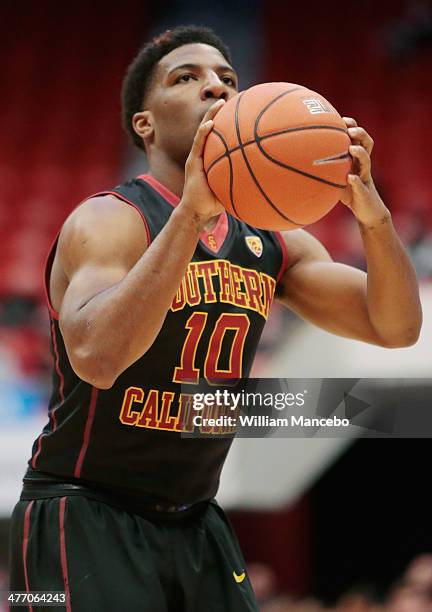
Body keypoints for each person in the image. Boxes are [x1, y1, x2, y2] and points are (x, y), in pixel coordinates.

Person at [9, 25, 422, 612]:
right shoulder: (110, 220)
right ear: (144, 124)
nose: (216, 88)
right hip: (83, 512)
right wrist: (190, 216)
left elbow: (396, 326)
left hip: (195, 517)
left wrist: (373, 217)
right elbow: (98, 359)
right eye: (187, 78)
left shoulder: (275, 242)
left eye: (228, 79)